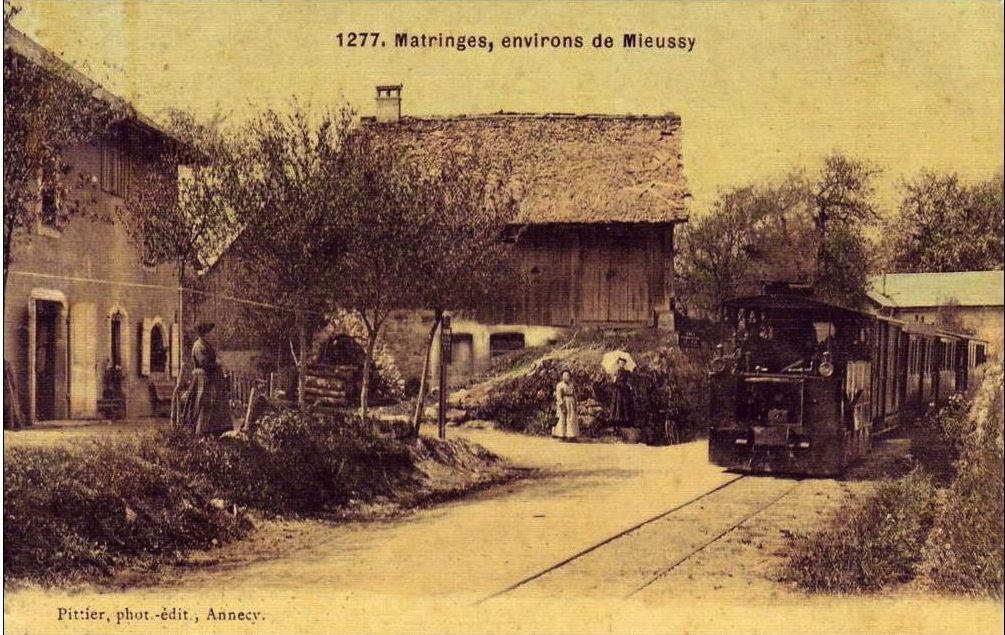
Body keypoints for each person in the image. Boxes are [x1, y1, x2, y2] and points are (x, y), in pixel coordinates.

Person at [181, 322, 233, 436]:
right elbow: (204, 363)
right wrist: (217, 363)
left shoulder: (206, 344)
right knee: (205, 405)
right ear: (205, 333)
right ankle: (203, 431)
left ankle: (217, 431)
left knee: (216, 404)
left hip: (211, 380)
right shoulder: (199, 346)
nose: (212, 334)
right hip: (204, 381)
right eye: (210, 332)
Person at [552, 370, 579, 441]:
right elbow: (559, 396)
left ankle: (571, 435)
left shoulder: (571, 385)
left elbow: (574, 394)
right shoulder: (559, 385)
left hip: (571, 402)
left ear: (570, 377)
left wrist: (575, 403)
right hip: (564, 402)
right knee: (562, 419)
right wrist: (561, 405)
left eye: (567, 375)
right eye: (564, 375)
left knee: (571, 419)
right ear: (562, 377)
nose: (566, 377)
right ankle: (561, 435)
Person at [610, 357, 634, 426]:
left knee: (624, 404)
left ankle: (624, 420)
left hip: (624, 389)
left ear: (624, 364)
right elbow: (614, 381)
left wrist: (629, 385)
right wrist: (614, 381)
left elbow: (628, 381)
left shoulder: (627, 372)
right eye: (620, 363)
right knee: (617, 404)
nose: (622, 364)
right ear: (618, 363)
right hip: (617, 389)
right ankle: (616, 420)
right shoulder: (616, 372)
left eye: (623, 363)